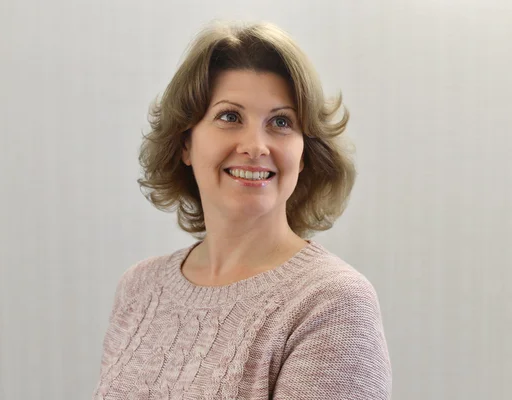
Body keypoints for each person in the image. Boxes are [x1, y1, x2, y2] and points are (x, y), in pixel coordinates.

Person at [93, 20, 392, 400]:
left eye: (281, 122)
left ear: (303, 156)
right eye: (230, 116)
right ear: (186, 143)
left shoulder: (332, 304)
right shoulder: (139, 288)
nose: (255, 145)